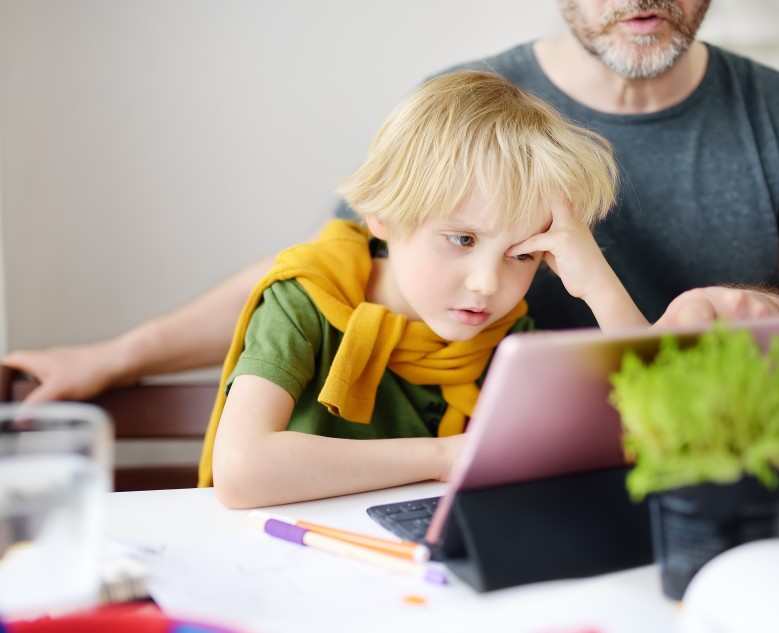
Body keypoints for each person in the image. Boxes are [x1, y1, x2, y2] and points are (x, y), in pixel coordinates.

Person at [3, 0, 779, 416]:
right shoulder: (467, 104)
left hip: (718, 483)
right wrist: (113, 355)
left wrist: (760, 320)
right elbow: (327, 278)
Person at [204, 70, 644, 508]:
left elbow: (660, 430)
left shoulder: (510, 338)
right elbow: (242, 468)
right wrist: (442, 456)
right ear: (385, 215)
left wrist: (600, 288)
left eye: (522, 254)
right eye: (462, 240)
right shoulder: (304, 301)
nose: (487, 284)